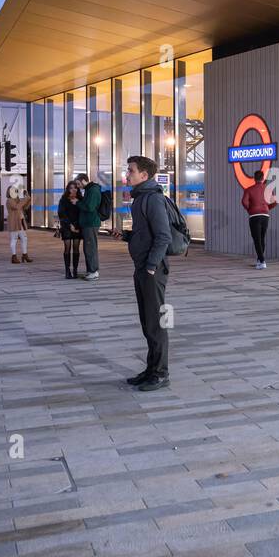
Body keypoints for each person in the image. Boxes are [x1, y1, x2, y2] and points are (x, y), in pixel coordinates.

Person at [111, 155, 171, 392]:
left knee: (156, 323)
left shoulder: (153, 199)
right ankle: (151, 370)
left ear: (144, 176)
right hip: (142, 267)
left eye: (131, 171)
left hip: (151, 270)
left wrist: (151, 266)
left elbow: (163, 236)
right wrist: (125, 236)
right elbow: (144, 235)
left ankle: (161, 373)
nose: (128, 174)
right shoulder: (140, 199)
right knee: (147, 322)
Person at [75, 172, 109, 282]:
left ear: (84, 180)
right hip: (88, 223)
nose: (78, 186)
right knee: (88, 248)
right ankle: (91, 270)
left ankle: (93, 271)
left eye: (78, 183)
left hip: (91, 223)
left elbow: (89, 207)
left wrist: (77, 203)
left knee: (90, 248)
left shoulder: (93, 190)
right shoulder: (90, 190)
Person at [240, 168, 277, 269]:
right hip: (265, 216)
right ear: (263, 178)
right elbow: (275, 201)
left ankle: (262, 261)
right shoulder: (268, 189)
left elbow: (244, 201)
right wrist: (267, 208)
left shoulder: (249, 190)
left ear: (254, 179)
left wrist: (250, 209)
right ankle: (259, 261)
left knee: (256, 239)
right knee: (262, 238)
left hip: (254, 216)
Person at [58, 180, 83, 278]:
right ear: (68, 189)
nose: (73, 189)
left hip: (77, 226)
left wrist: (77, 226)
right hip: (66, 226)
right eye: (71, 188)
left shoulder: (81, 199)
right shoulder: (63, 200)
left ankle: (75, 270)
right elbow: (61, 214)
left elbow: (82, 213)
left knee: (76, 248)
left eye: (75, 187)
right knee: (67, 248)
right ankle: (67, 271)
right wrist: (70, 225)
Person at [6, 185, 32, 264]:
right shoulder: (9, 200)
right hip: (14, 223)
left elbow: (25, 207)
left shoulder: (17, 200)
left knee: (24, 238)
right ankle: (14, 256)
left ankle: (25, 254)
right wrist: (25, 199)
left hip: (20, 222)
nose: (15, 192)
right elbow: (17, 207)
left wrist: (28, 198)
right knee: (14, 239)